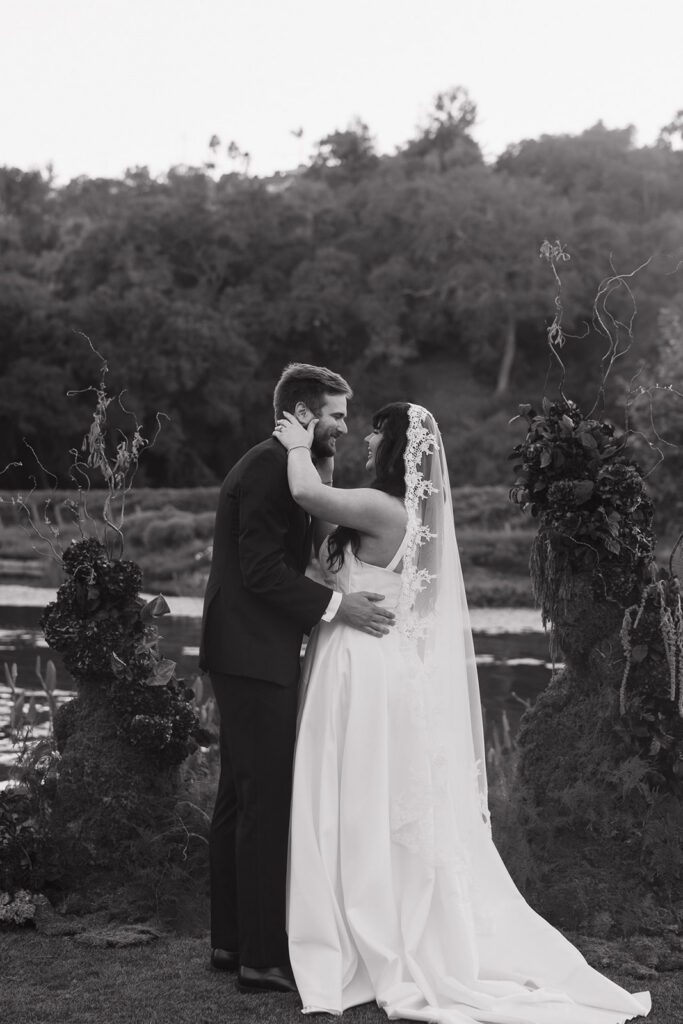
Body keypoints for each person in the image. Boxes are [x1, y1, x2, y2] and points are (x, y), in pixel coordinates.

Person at [273, 402, 651, 1024]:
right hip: (361, 659)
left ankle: (361, 931)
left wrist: (296, 443)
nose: (366, 437)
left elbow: (306, 494)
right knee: (357, 794)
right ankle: (350, 920)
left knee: (357, 795)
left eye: (376, 430)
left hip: (362, 667)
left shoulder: (384, 509)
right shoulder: (389, 511)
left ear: (395, 446)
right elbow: (325, 544)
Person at [199, 364, 395, 995]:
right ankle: (261, 958)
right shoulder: (266, 468)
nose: (346, 426)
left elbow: (293, 548)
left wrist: (317, 458)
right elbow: (260, 570)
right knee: (263, 801)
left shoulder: (282, 464)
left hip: (248, 649)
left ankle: (231, 942)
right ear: (306, 415)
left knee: (238, 798)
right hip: (253, 654)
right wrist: (339, 608)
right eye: (336, 415)